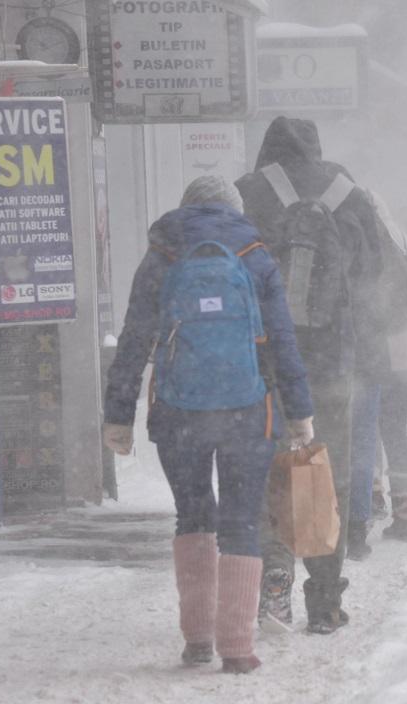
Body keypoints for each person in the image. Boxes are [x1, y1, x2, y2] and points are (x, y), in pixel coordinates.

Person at [102, 175, 314, 674]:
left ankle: (197, 640)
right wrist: (300, 411)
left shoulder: (163, 253)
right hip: (248, 409)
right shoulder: (256, 254)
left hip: (178, 410)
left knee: (193, 517)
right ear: (233, 210)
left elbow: (135, 339)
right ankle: (237, 648)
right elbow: (283, 340)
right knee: (240, 523)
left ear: (187, 208)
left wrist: (118, 414)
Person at [236, 116, 386, 634]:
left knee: (270, 470)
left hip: (265, 361)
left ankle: (274, 579)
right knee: (326, 473)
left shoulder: (250, 192)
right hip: (331, 359)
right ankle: (324, 601)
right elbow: (374, 273)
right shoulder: (347, 190)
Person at [349, 193, 407, 557]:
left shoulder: (363, 243)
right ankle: (405, 518)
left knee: (366, 424)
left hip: (378, 346)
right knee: (395, 428)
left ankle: (372, 499)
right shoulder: (402, 240)